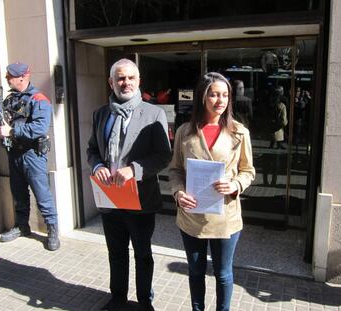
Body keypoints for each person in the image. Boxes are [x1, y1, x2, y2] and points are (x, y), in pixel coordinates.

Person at [87, 59, 172, 311]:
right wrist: (97, 166)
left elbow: (163, 156)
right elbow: (92, 150)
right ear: (111, 82)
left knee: (143, 255)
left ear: (138, 81)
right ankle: (118, 297)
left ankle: (145, 301)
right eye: (120, 78)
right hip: (109, 197)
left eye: (130, 78)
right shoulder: (101, 113)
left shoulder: (154, 113)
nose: (126, 83)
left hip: (140, 198)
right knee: (116, 252)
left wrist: (134, 170)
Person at [169, 72, 255, 311]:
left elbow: (248, 170)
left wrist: (236, 184)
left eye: (225, 95)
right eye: (214, 94)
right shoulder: (184, 132)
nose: (220, 100)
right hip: (191, 216)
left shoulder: (239, 132)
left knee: (223, 273)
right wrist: (177, 193)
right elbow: (175, 170)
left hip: (225, 216)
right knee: (196, 272)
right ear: (202, 97)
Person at [0, 62, 59, 251]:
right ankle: (22, 226)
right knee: (19, 193)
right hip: (14, 153)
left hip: (32, 155)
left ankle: (53, 231)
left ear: (22, 77)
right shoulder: (9, 99)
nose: (7, 79)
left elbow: (39, 128)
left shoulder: (39, 100)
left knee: (43, 195)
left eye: (10, 77)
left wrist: (12, 130)